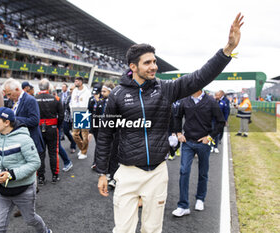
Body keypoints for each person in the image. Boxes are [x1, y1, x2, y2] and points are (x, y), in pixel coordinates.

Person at [96, 13, 243, 232]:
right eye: (148, 63)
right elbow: (105, 135)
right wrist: (102, 172)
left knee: (152, 229)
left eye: (155, 61)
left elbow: (199, 77)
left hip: (157, 172)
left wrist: (227, 50)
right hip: (126, 172)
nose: (154, 66)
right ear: (133, 67)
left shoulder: (165, 89)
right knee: (122, 230)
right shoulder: (116, 94)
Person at [0, 107, 52, 233]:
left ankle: (45, 231)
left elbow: (35, 163)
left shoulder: (24, 139)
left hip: (24, 189)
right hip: (2, 190)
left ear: (6, 122)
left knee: (30, 220)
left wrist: (10, 175)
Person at [172, 90, 225, 217]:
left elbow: (220, 122)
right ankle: (183, 205)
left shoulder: (211, 101)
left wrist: (210, 137)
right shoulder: (185, 101)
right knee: (184, 171)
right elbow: (177, 117)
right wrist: (178, 133)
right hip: (188, 142)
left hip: (203, 143)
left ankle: (200, 198)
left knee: (203, 172)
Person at [35, 79, 71, 184]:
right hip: (52, 128)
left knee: (40, 153)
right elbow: (61, 115)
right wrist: (57, 126)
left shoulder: (34, 99)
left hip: (39, 129)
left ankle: (41, 178)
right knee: (53, 153)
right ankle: (55, 176)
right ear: (48, 87)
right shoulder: (56, 98)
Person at [2, 78, 45, 158]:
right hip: (19, 142)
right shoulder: (14, 101)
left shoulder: (30, 100)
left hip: (31, 142)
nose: (8, 97)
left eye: (9, 94)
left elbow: (35, 121)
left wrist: (13, 119)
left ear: (17, 89)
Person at [70, 77, 91, 159]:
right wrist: (72, 113)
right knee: (74, 134)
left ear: (81, 82)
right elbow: (72, 103)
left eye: (77, 81)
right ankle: (82, 148)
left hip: (84, 113)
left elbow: (89, 105)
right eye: (75, 81)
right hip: (76, 113)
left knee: (84, 135)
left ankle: (84, 152)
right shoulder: (74, 91)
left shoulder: (87, 92)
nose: (75, 82)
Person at [63, 84, 77, 154]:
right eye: (70, 89)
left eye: (72, 89)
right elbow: (63, 108)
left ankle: (73, 146)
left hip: (75, 119)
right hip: (66, 118)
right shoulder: (67, 98)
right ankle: (72, 141)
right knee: (65, 131)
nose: (71, 91)